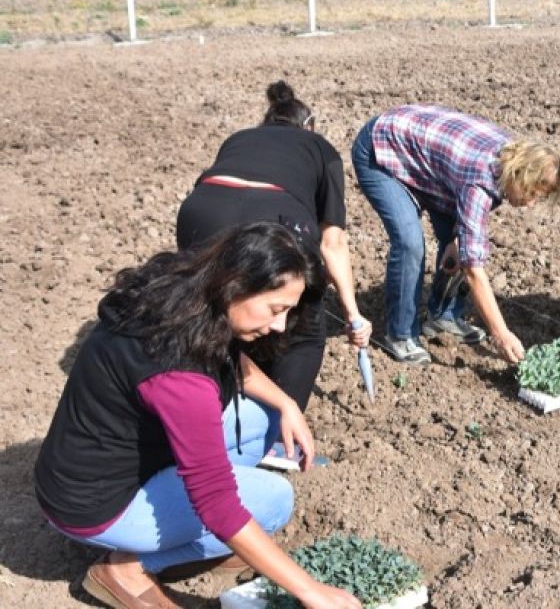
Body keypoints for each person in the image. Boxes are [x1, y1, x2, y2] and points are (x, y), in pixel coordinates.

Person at [34, 223, 361, 609]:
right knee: (273, 502)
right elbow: (217, 506)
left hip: (87, 464)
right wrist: (312, 592)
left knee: (262, 419)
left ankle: (168, 514)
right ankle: (127, 567)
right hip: (93, 504)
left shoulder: (183, 294)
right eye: (277, 309)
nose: (280, 325)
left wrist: (288, 404)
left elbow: (225, 355)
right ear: (238, 284)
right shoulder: (179, 376)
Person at [176, 81, 370, 411]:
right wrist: (354, 316)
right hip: (275, 214)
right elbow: (332, 242)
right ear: (310, 125)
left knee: (216, 308)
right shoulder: (319, 146)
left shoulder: (238, 138)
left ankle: (207, 412)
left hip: (203, 210)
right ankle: (277, 435)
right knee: (305, 324)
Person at [351, 104, 560, 365]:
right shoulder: (481, 182)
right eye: (531, 194)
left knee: (461, 244)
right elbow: (474, 270)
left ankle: (443, 317)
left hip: (430, 166)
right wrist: (501, 333)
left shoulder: (509, 158)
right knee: (410, 242)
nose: (530, 204)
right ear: (519, 174)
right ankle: (400, 334)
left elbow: (464, 229)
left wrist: (454, 239)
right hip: (381, 150)